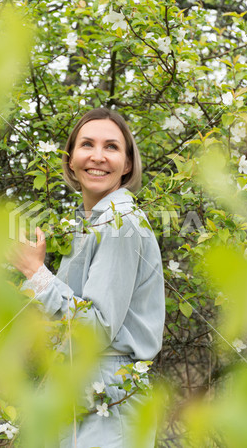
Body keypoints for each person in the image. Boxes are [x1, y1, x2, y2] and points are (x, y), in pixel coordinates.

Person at [11, 108, 165, 447]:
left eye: (111, 147)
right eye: (87, 145)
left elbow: (94, 327)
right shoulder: (93, 222)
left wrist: (36, 274)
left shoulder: (119, 223)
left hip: (107, 391)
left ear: (127, 164)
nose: (97, 156)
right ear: (69, 160)